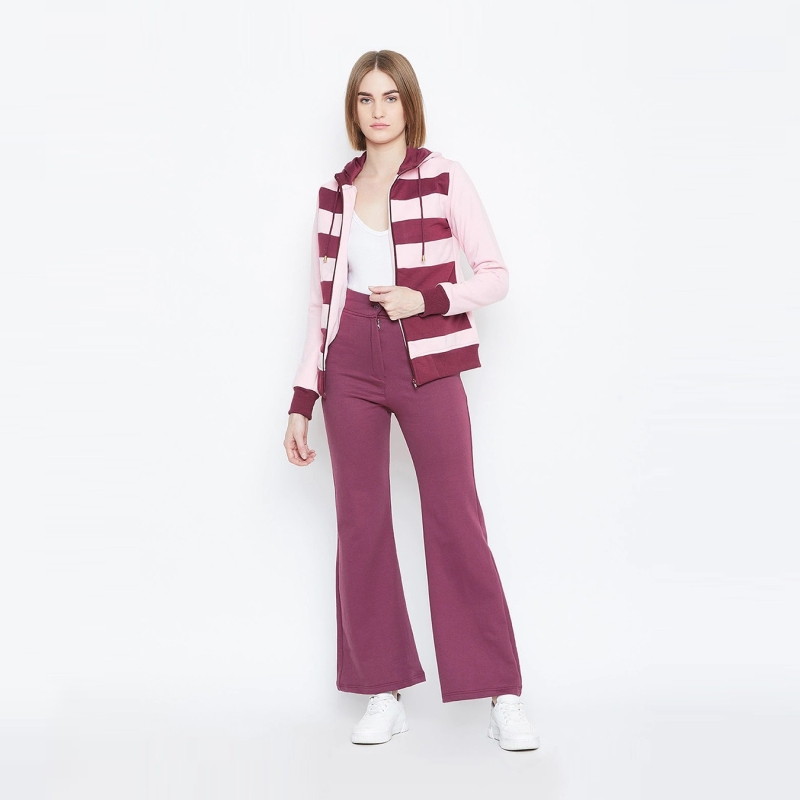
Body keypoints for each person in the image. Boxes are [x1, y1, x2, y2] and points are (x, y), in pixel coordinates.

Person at [283, 49, 539, 751]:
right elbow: (321, 306)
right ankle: (383, 690)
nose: (378, 111)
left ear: (408, 104)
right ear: (353, 109)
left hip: (427, 356)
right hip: (349, 363)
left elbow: (495, 275)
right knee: (361, 522)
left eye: (390, 98)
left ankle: (502, 692)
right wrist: (303, 398)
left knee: (455, 517)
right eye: (365, 99)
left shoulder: (444, 176)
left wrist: (427, 299)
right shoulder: (333, 193)